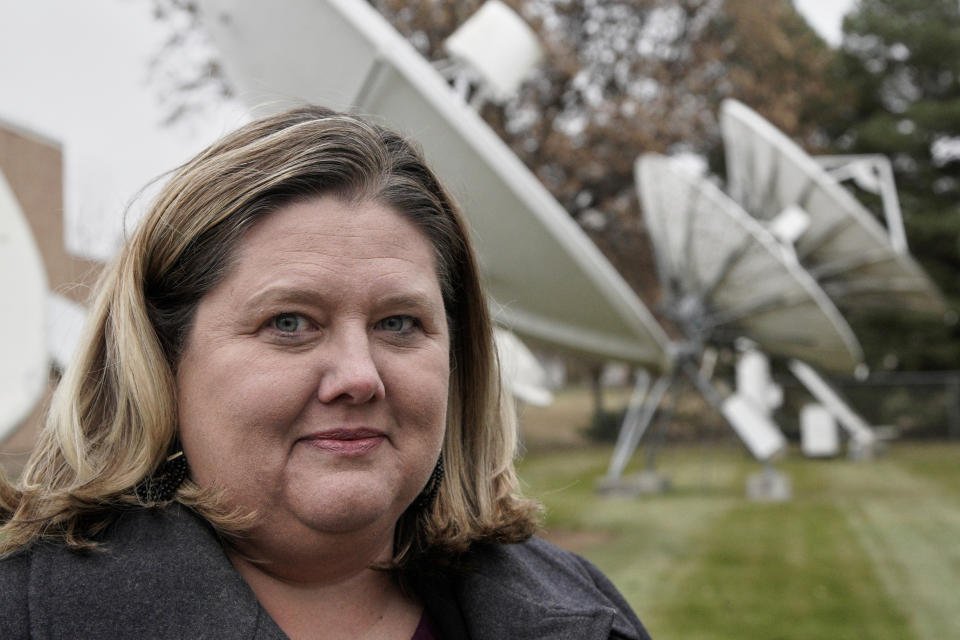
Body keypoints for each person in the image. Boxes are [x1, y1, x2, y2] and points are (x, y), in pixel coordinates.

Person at [0, 106, 651, 640]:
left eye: (398, 324)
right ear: (163, 361)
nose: (358, 377)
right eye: (290, 322)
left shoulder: (580, 614)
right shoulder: (27, 616)